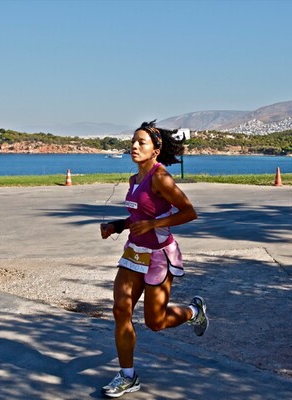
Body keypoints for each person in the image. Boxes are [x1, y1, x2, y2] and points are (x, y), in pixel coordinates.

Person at [99, 120, 209, 398]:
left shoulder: (161, 179)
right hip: (133, 254)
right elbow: (138, 218)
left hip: (159, 256)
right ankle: (127, 376)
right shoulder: (133, 180)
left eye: (141, 142)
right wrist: (118, 225)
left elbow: (189, 212)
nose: (134, 147)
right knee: (120, 311)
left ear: (155, 151)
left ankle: (194, 313)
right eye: (133, 142)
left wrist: (150, 226)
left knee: (155, 322)